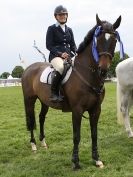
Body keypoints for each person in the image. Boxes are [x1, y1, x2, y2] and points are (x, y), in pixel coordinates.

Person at [46, 5, 77, 102]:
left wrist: (77, 52)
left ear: (67, 16)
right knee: (60, 68)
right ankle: (54, 93)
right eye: (60, 15)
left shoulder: (69, 30)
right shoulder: (51, 28)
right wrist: (60, 54)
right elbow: (49, 46)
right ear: (56, 16)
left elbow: (73, 45)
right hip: (55, 56)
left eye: (64, 14)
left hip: (69, 56)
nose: (62, 16)